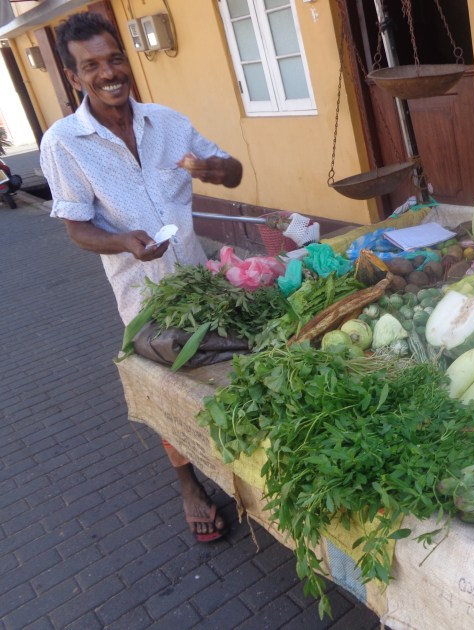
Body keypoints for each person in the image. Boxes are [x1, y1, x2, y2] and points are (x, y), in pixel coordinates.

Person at [40, 12, 243, 543]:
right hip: (142, 294)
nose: (108, 72)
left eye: (114, 59)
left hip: (200, 282)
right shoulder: (65, 143)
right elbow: (77, 230)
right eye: (92, 65)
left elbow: (233, 168)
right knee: (168, 394)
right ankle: (189, 487)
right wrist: (124, 241)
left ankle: (236, 465)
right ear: (73, 76)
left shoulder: (168, 121)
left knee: (226, 377)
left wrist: (218, 171)